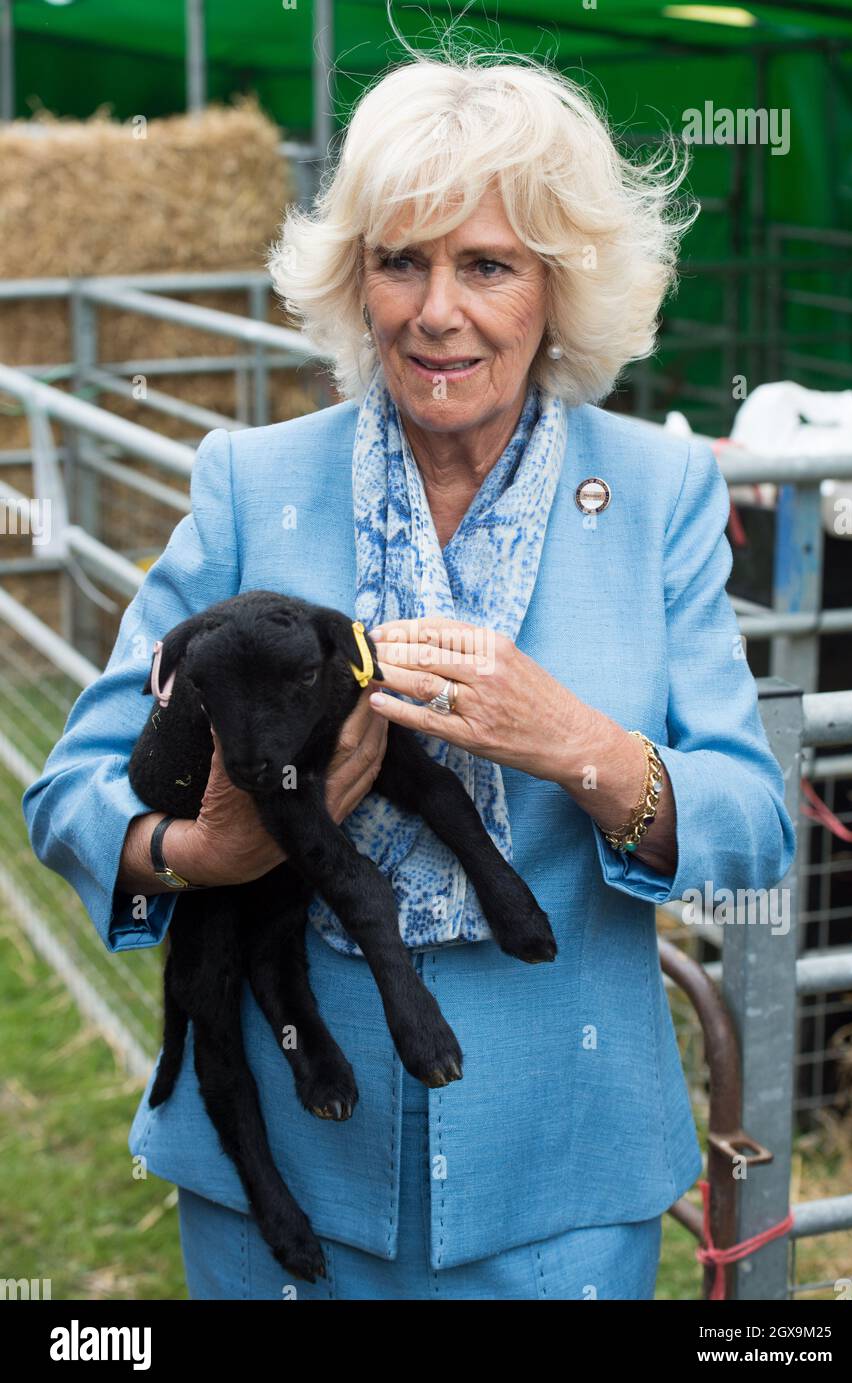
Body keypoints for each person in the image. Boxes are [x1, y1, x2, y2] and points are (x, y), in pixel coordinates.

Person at [22, 46, 795, 1300]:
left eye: (487, 264)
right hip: (283, 1182)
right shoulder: (249, 484)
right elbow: (67, 792)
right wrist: (201, 856)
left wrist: (574, 744)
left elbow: (756, 824)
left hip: (560, 1188)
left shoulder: (658, 494)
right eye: (402, 261)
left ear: (560, 285)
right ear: (355, 276)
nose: (438, 311)